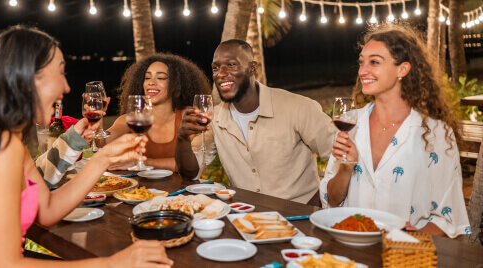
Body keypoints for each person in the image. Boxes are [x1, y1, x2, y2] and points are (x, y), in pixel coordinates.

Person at [0, 26, 172, 267]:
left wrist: (103, 158)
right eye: (61, 72)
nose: (67, 87)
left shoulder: (5, 138)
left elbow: (48, 209)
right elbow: (3, 264)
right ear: (28, 78)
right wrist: (112, 263)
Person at [319, 23, 469, 238]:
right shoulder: (351, 123)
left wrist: (404, 239)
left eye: (374, 62)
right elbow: (331, 200)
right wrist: (345, 168)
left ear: (402, 69)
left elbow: (448, 219)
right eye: (361, 62)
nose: (362, 70)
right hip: (349, 248)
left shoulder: (435, 133)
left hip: (404, 255)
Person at [175, 39, 337, 204]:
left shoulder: (298, 107)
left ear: (252, 68)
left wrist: (320, 198)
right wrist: (182, 138)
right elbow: (190, 173)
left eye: (231, 65)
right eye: (215, 67)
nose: (221, 73)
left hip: (300, 214)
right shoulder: (215, 118)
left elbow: (339, 153)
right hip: (247, 215)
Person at [106, 53, 211, 171]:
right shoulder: (132, 119)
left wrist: (140, 162)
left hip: (181, 189)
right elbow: (103, 141)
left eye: (161, 78)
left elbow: (189, 164)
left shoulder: (187, 119)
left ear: (176, 85)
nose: (151, 82)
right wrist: (95, 122)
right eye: (147, 77)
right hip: (141, 189)